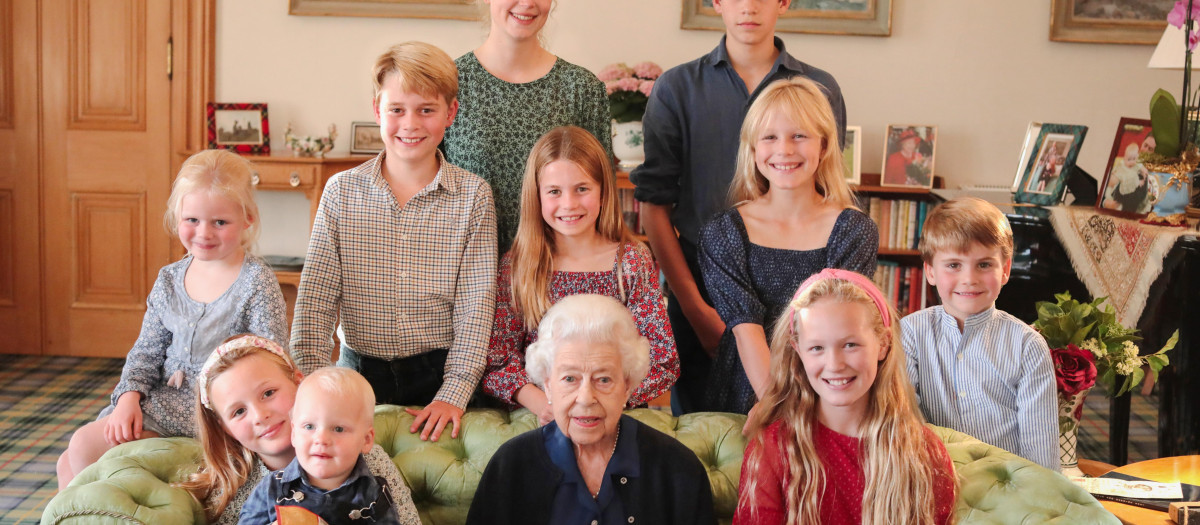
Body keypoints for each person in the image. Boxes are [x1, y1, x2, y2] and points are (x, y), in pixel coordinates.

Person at [630, 0, 847, 414]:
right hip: (700, 287)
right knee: (703, 425)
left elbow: (825, 189)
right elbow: (654, 203)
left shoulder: (819, 88)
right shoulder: (677, 87)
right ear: (715, 3)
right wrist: (696, 310)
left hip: (800, 289)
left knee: (804, 418)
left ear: (784, 2)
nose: (748, 6)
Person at [290, 41, 497, 442]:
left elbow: (476, 306)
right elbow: (316, 299)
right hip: (357, 374)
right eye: (397, 109)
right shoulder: (340, 192)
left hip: (439, 376)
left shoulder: (473, 196)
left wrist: (454, 392)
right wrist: (314, 386)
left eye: (426, 110)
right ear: (377, 111)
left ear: (451, 113)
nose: (410, 124)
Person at [56, 150, 288, 489]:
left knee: (84, 447)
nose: (204, 233)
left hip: (215, 413)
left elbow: (272, 358)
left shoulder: (256, 281)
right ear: (177, 217)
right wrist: (128, 397)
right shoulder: (169, 279)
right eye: (192, 220)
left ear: (247, 219)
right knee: (67, 461)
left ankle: (104, 506)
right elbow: (146, 352)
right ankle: (89, 511)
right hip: (161, 402)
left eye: (219, 222)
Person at [699, 77, 876, 414]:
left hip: (829, 384)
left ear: (823, 147)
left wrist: (807, 412)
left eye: (799, 136)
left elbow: (840, 326)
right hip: (749, 387)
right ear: (753, 149)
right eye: (770, 137)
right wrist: (777, 407)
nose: (785, 150)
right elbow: (746, 329)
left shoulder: (854, 230)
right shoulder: (723, 232)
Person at [482, 126, 678, 423]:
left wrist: (605, 401)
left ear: (603, 192)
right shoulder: (519, 266)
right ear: (537, 196)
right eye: (554, 192)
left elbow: (663, 359)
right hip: (542, 419)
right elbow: (497, 360)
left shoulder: (630, 262)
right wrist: (543, 404)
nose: (569, 204)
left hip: (615, 419)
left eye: (582, 189)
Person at [466, 294, 717, 525]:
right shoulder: (510, 466)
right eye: (570, 379)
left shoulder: (677, 468)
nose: (586, 398)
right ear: (548, 385)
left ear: (627, 386)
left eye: (603, 379)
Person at [735, 269, 957, 524]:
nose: (835, 364)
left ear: (883, 343)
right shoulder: (773, 449)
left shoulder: (924, 452)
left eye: (850, 345)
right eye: (817, 348)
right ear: (797, 349)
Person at [180, 335, 420, 525]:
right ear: (225, 427)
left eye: (268, 393)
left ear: (299, 383)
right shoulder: (230, 488)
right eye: (239, 411)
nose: (260, 416)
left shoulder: (367, 459)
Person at [902, 197, 1059, 471]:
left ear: (1005, 269)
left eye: (984, 265)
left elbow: (1041, 453)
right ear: (930, 272)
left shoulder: (1027, 345)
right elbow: (905, 427)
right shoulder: (909, 335)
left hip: (1009, 484)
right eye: (954, 265)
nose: (969, 279)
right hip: (934, 480)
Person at [443, 0, 611, 253]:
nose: (527, 3)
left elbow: (603, 197)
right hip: (467, 264)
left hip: (557, 267)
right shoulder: (449, 84)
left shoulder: (582, 89)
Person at [238, 367, 399, 524]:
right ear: (294, 434)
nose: (321, 439)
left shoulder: (375, 496)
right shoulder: (271, 488)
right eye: (309, 427)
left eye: (338, 429)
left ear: (366, 440)